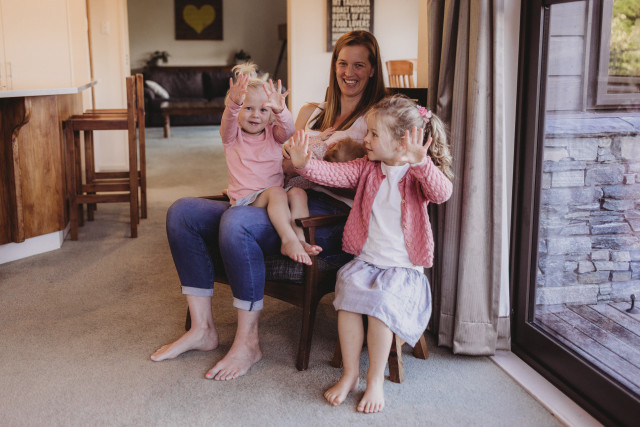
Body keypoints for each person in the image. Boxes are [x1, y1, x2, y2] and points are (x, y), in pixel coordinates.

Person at [151, 30, 386, 382]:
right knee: (182, 213)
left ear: (372, 70)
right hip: (274, 197)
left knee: (236, 222)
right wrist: (264, 175)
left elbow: (366, 179)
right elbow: (280, 153)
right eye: (342, 63)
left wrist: (304, 166)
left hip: (323, 216)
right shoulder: (314, 112)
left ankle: (248, 343)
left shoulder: (375, 121)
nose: (348, 72)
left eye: (359, 65)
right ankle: (202, 330)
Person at [288, 95, 454, 413]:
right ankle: (350, 374)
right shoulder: (366, 168)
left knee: (380, 305)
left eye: (374, 134)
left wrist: (421, 163)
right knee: (347, 296)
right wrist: (304, 164)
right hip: (367, 263)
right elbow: (333, 174)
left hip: (402, 270)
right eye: (368, 132)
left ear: (401, 141)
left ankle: (374, 379)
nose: (365, 139)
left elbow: (442, 193)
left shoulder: (417, 174)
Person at [220, 63, 314, 265]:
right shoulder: (232, 136)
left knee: (298, 193)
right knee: (277, 193)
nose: (256, 115)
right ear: (238, 111)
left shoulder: (274, 134)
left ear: (270, 115)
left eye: (263, 110)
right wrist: (233, 105)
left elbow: (289, 130)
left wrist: (281, 110)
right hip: (247, 200)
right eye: (248, 108)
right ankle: (287, 240)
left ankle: (300, 239)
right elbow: (227, 122)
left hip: (274, 196)